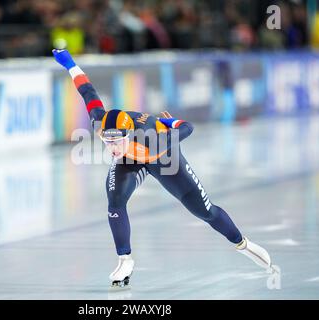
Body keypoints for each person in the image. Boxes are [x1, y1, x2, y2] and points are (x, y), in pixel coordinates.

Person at [52, 49, 273, 287]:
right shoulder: (100, 123)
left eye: (117, 142)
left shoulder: (152, 138)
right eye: (108, 142)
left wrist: (171, 123)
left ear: (129, 135)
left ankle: (242, 243)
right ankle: (124, 259)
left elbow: (187, 127)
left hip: (163, 158)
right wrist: (70, 63)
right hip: (132, 159)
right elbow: (87, 90)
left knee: (204, 211)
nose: (112, 148)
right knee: (115, 201)